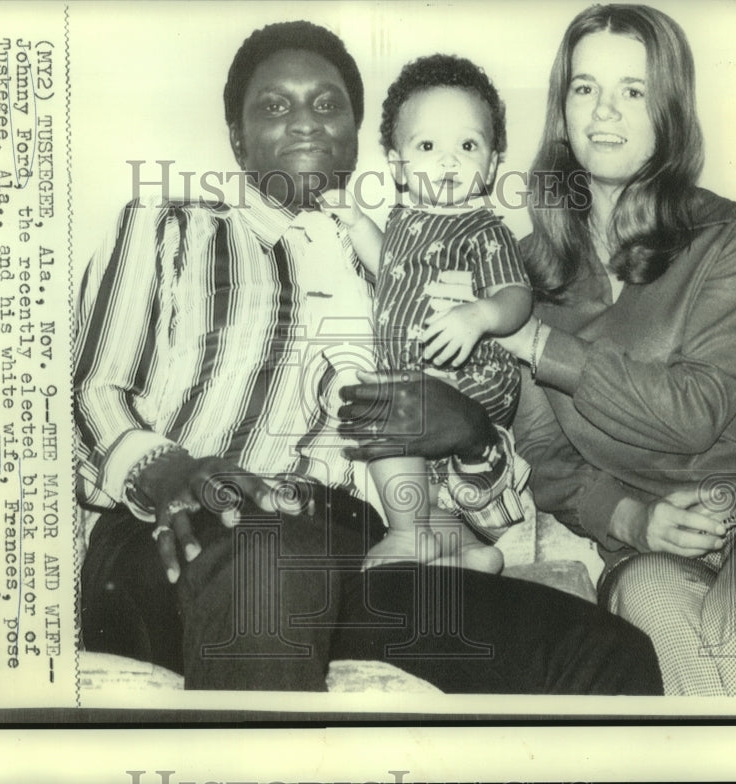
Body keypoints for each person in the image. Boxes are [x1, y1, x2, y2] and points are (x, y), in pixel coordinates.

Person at [74, 19, 664, 694]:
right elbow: (88, 390)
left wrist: (468, 431)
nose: (304, 122)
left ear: (357, 135)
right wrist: (163, 467)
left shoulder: (397, 276)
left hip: (356, 556)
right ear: (236, 136)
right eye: (274, 105)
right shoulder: (165, 226)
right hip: (187, 537)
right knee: (269, 566)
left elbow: (496, 511)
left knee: (602, 656)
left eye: (328, 105)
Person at [347, 4, 736, 698]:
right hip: (648, 544)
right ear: (562, 107)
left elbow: (696, 410)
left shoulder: (734, 234)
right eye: (585, 88)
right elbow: (546, 457)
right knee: (661, 622)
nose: (604, 111)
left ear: (667, 107)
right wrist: (631, 518)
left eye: (632, 90)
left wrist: (535, 340)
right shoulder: (518, 272)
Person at [320, 54, 534, 574]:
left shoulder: (484, 230)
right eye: (427, 146)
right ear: (396, 165)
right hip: (419, 376)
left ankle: (406, 534)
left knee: (382, 413)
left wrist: (480, 315)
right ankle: (465, 550)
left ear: (491, 164)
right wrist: (355, 221)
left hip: (470, 376)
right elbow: (385, 265)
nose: (448, 162)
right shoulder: (402, 221)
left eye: (468, 146)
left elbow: (516, 297)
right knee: (408, 469)